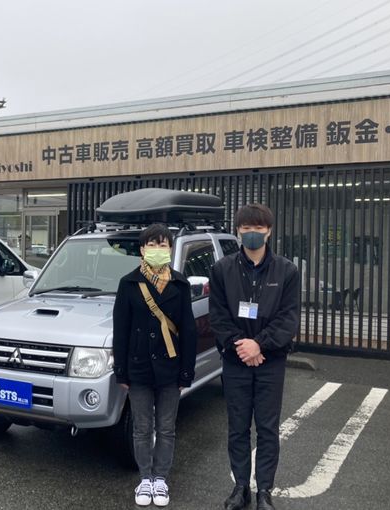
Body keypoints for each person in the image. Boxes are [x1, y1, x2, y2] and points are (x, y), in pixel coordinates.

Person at [209, 204, 300, 510]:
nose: (252, 233)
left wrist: (259, 345)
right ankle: (240, 488)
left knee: (267, 428)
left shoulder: (286, 271)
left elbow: (288, 318)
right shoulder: (222, 270)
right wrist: (242, 347)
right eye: (246, 228)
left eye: (258, 228)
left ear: (269, 231)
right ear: (238, 231)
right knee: (237, 427)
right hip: (236, 362)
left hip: (270, 362)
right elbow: (218, 317)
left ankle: (264, 491)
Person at [112, 223, 197, 508]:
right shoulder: (128, 283)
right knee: (142, 428)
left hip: (171, 368)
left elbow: (188, 331)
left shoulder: (180, 284)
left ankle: (161, 478)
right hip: (138, 367)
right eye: (152, 244)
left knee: (167, 427)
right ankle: (145, 478)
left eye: (163, 245)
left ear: (170, 249)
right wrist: (121, 371)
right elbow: (121, 330)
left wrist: (187, 371)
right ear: (142, 249)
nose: (158, 250)